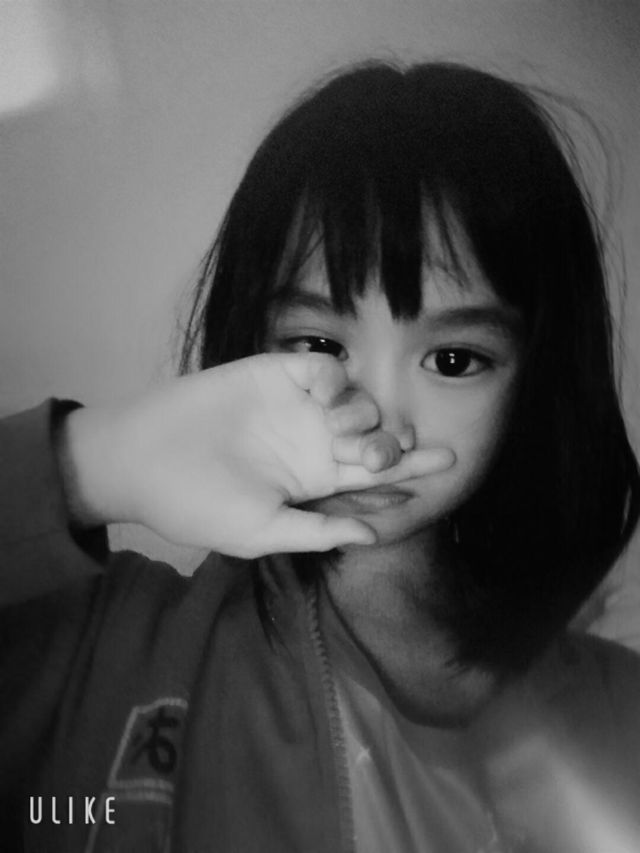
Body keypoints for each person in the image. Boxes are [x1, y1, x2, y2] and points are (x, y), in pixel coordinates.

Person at [1, 61, 639, 853]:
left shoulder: (621, 717)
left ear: (535, 379)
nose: (380, 426)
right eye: (318, 344)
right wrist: (91, 463)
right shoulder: (104, 656)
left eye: (452, 360)